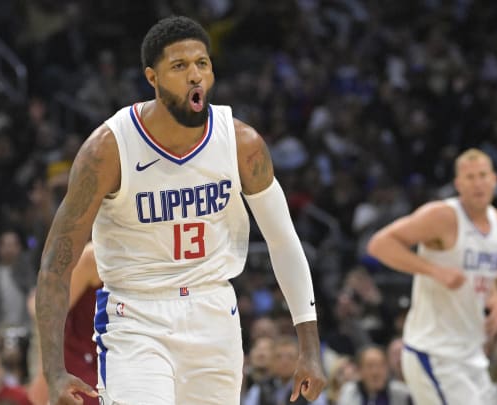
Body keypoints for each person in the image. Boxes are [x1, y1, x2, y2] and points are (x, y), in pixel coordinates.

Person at [35, 15, 326, 405]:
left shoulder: (242, 144)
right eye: (179, 66)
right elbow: (56, 262)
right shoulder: (108, 149)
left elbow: (284, 241)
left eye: (202, 64)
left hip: (214, 311)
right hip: (136, 315)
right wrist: (52, 370)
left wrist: (309, 345)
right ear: (152, 78)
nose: (195, 76)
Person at [366, 148, 497, 404]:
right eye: (470, 177)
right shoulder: (443, 216)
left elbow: (486, 269)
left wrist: (495, 295)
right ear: (458, 184)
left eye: (483, 175)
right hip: (434, 352)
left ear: (494, 179)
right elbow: (379, 245)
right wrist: (434, 270)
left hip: (472, 353)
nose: (478, 183)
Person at [28, 242, 102, 405]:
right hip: (80, 364)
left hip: (120, 360)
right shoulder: (92, 257)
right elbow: (42, 309)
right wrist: (46, 372)